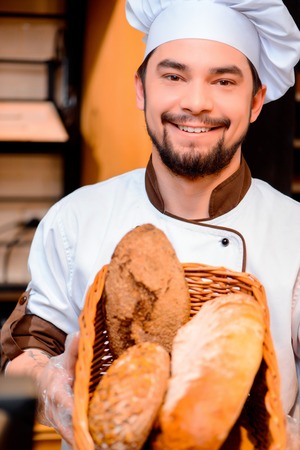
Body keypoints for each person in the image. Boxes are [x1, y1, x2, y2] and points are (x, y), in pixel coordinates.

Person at [1, 0, 300, 448]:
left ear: (256, 101)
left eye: (223, 81)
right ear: (141, 89)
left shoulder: (293, 232)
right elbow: (14, 366)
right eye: (173, 76)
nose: (195, 103)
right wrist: (49, 389)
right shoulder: (76, 218)